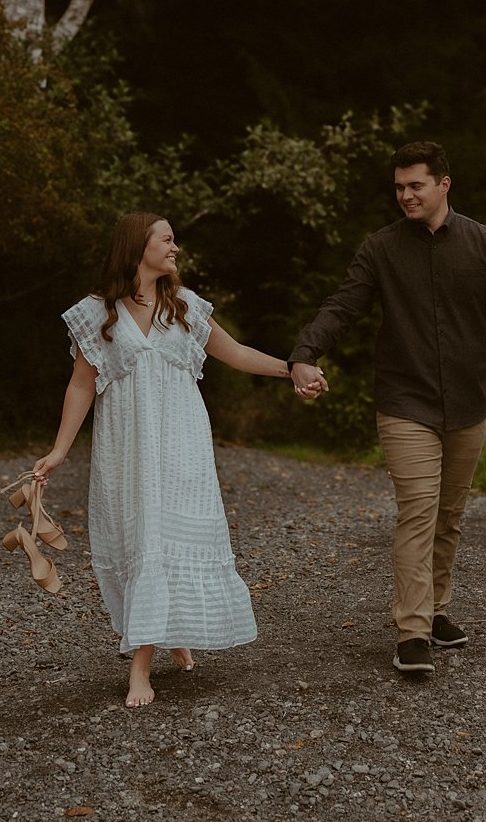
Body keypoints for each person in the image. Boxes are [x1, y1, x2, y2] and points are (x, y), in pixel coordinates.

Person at [32, 211, 322, 707]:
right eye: (166, 240)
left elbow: (236, 353)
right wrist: (59, 450)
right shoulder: (96, 312)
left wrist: (291, 370)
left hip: (182, 446)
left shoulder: (184, 307)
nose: (175, 248)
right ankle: (159, 637)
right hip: (128, 451)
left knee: (166, 538)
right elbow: (82, 385)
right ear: (138, 247)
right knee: (144, 540)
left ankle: (142, 667)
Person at [289, 141, 486, 674]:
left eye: (415, 185)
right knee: (418, 511)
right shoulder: (380, 249)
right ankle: (412, 632)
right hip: (405, 402)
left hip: (467, 404)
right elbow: (343, 306)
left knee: (449, 516)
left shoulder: (483, 244)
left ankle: (435, 611)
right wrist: (304, 354)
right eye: (399, 187)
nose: (405, 195)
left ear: (444, 184)